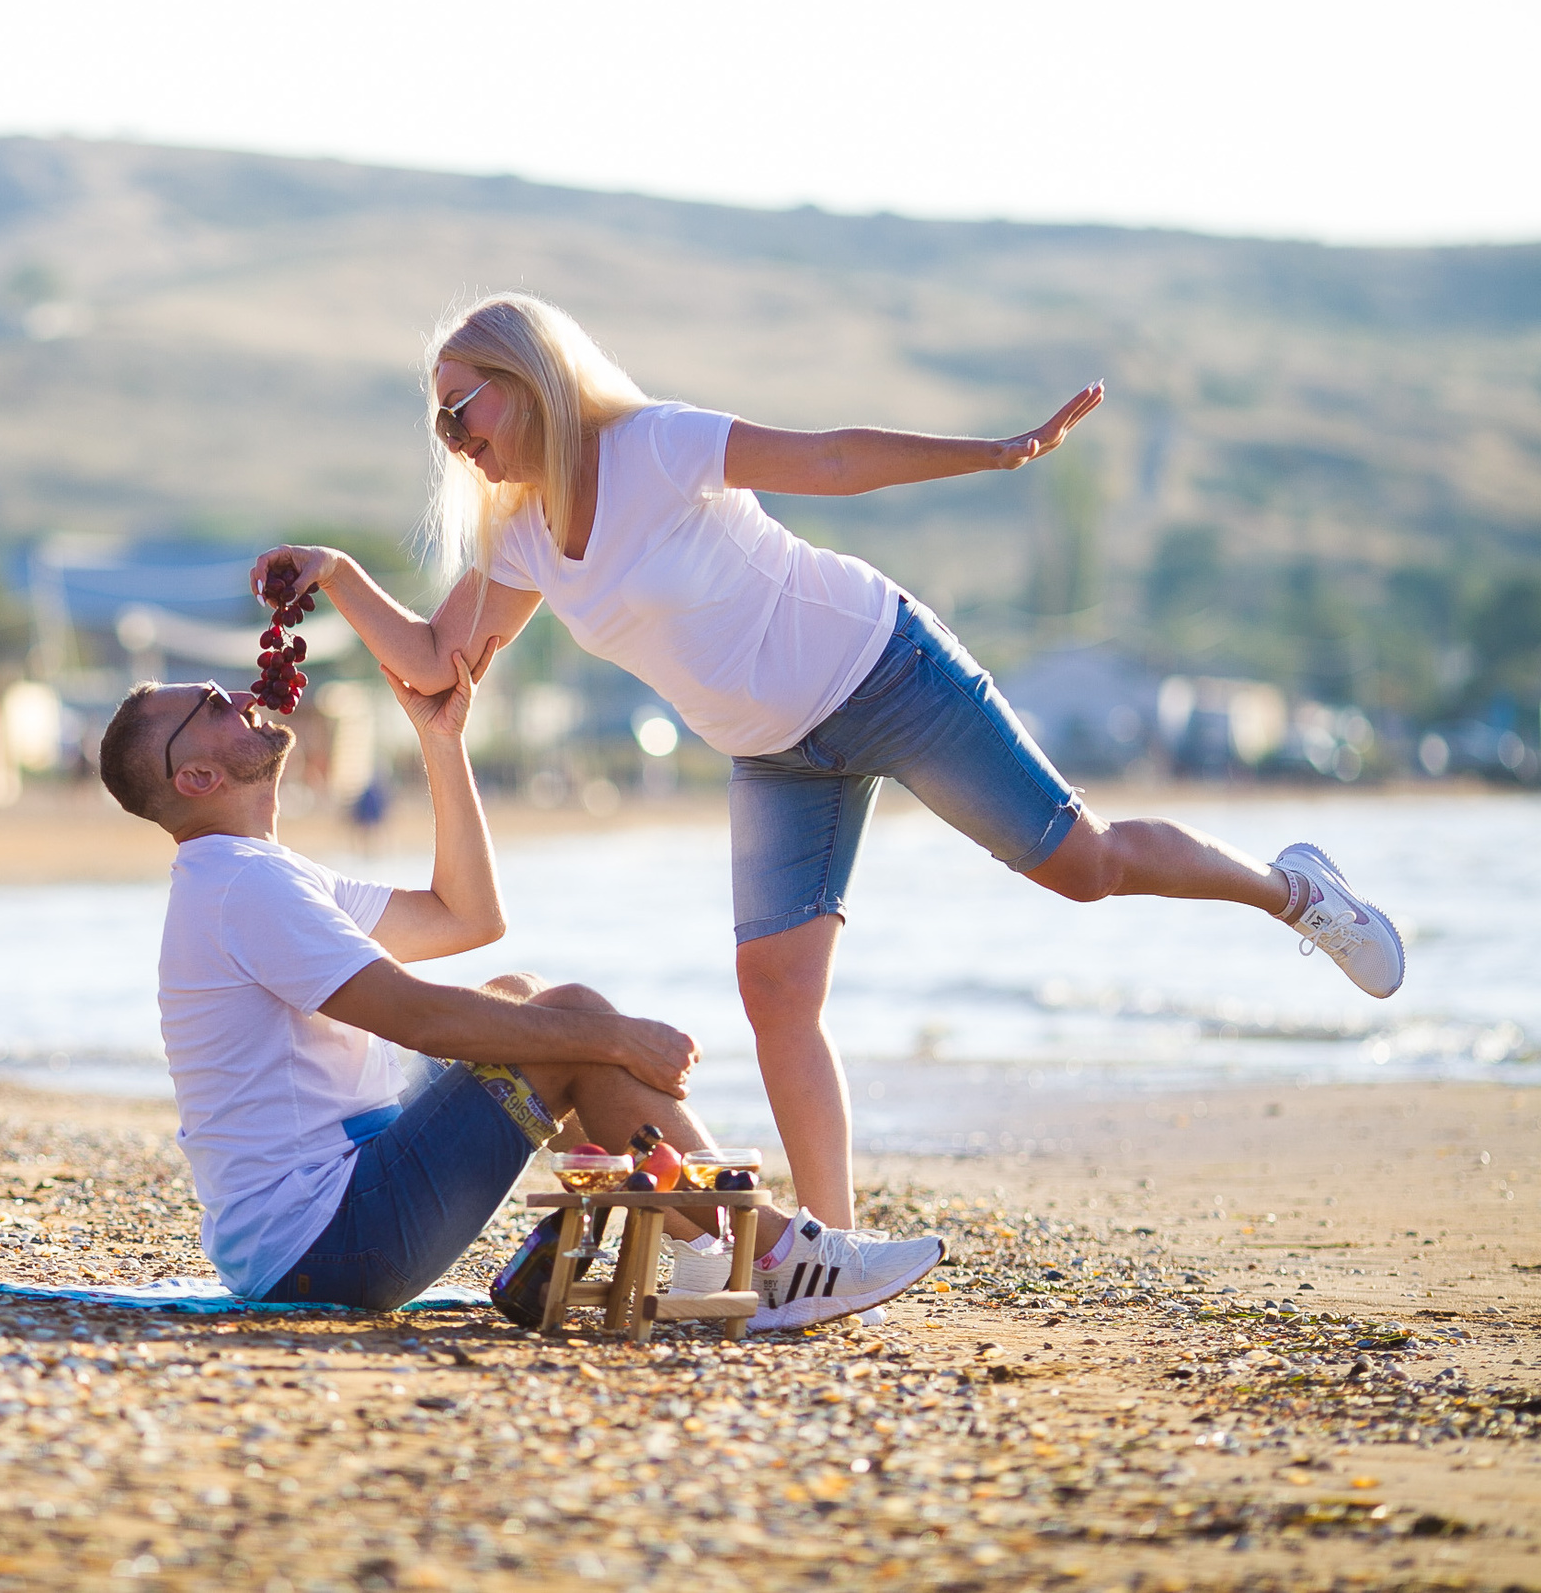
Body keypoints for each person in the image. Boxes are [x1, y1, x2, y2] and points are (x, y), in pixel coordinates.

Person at [255, 292, 1406, 1230]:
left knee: (1083, 863)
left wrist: (998, 454)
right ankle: (833, 1247)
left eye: (465, 412)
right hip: (772, 755)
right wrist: (340, 576)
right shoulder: (517, 537)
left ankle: (1295, 891)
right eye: (443, 430)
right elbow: (439, 658)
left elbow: (834, 457)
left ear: (530, 377)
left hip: (881, 670)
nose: (460, 442)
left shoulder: (655, 446)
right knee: (777, 997)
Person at [94, 640, 947, 1328]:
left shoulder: (251, 874)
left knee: (518, 990)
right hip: (330, 1241)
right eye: (207, 707)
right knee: (571, 1018)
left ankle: (709, 1245)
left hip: (315, 1222)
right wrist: (611, 1036)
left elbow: (466, 916)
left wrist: (441, 739)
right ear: (195, 780)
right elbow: (418, 1016)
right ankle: (770, 1253)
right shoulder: (246, 885)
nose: (234, 694)